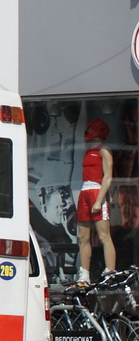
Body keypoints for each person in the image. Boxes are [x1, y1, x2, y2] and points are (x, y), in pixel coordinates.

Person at [77, 118, 115, 283]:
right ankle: (84, 273)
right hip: (85, 191)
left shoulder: (104, 150)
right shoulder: (87, 150)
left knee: (103, 235)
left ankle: (110, 271)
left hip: (96, 191)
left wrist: (99, 200)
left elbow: (108, 177)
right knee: (82, 236)